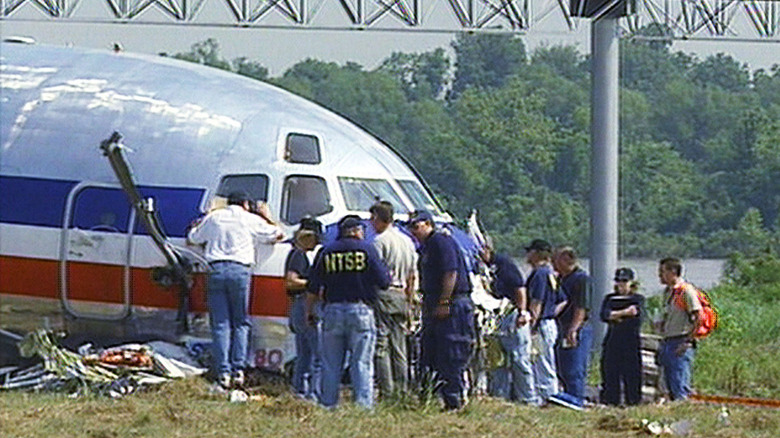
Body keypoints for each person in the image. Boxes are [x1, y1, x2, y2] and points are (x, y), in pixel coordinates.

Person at [187, 191, 283, 388]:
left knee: (220, 324)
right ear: (246, 204)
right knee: (240, 322)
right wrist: (266, 215)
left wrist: (208, 213)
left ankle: (223, 372)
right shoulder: (250, 219)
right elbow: (278, 234)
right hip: (240, 271)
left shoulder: (214, 218)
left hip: (215, 269)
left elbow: (193, 238)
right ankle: (238, 370)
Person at [307, 215, 390, 409]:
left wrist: (309, 312)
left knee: (331, 364)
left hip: (332, 309)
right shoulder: (367, 250)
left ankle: (328, 404)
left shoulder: (326, 252)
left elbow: (313, 287)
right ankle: (362, 406)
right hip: (360, 310)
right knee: (361, 362)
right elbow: (384, 282)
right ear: (357, 230)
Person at [407, 210, 475, 410]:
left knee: (451, 353)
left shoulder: (440, 241)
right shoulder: (425, 247)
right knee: (431, 354)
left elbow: (450, 273)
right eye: (410, 227)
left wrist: (445, 302)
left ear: (428, 223)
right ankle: (433, 397)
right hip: (433, 303)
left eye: (416, 226)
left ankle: (455, 400)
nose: (413, 231)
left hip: (452, 304)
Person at [369, 201, 418, 396]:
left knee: (381, 346)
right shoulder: (407, 241)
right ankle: (402, 388)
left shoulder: (379, 242)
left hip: (385, 293)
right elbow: (412, 274)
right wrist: (410, 297)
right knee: (400, 346)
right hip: (402, 294)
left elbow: (375, 272)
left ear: (379, 218)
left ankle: (387, 391)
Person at [480, 244, 538, 405]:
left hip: (511, 313)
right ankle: (500, 396)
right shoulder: (484, 267)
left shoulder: (504, 264)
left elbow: (520, 288)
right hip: (495, 315)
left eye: (481, 252)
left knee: (519, 358)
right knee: (497, 359)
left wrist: (522, 311)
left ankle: (528, 398)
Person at [549, 246, 593, 409]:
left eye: (556, 260)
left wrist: (573, 329)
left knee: (574, 368)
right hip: (561, 326)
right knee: (562, 367)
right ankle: (566, 397)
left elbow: (581, 306)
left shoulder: (581, 279)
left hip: (576, 327)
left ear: (565, 260)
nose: (553, 264)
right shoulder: (561, 279)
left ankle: (576, 400)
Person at [285, 222, 322, 401]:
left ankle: (299, 390)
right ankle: (313, 393)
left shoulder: (298, 255)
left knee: (304, 354)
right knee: (317, 353)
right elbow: (291, 281)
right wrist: (313, 284)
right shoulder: (299, 256)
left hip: (298, 305)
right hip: (302, 303)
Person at [525, 238, 564, 403]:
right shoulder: (550, 273)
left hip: (541, 324)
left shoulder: (540, 274)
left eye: (530, 252)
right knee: (544, 360)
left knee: (541, 362)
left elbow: (537, 301)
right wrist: (552, 313)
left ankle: (548, 397)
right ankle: (547, 395)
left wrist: (532, 323)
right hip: (548, 322)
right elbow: (562, 300)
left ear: (536, 254)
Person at [658, 257, 701, 401]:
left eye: (663, 272)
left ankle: (683, 413)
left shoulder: (685, 291)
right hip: (668, 340)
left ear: (673, 272)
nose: (660, 275)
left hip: (680, 341)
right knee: (669, 383)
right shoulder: (668, 292)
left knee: (679, 383)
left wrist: (688, 342)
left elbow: (698, 317)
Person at [600, 267, 645, 406]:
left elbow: (638, 316)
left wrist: (617, 315)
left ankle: (633, 402)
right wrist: (624, 313)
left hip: (630, 341)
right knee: (610, 373)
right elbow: (605, 315)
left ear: (631, 283)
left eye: (624, 281)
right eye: (619, 281)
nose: (621, 285)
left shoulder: (638, 299)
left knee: (632, 375)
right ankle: (611, 402)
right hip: (613, 340)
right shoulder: (610, 298)